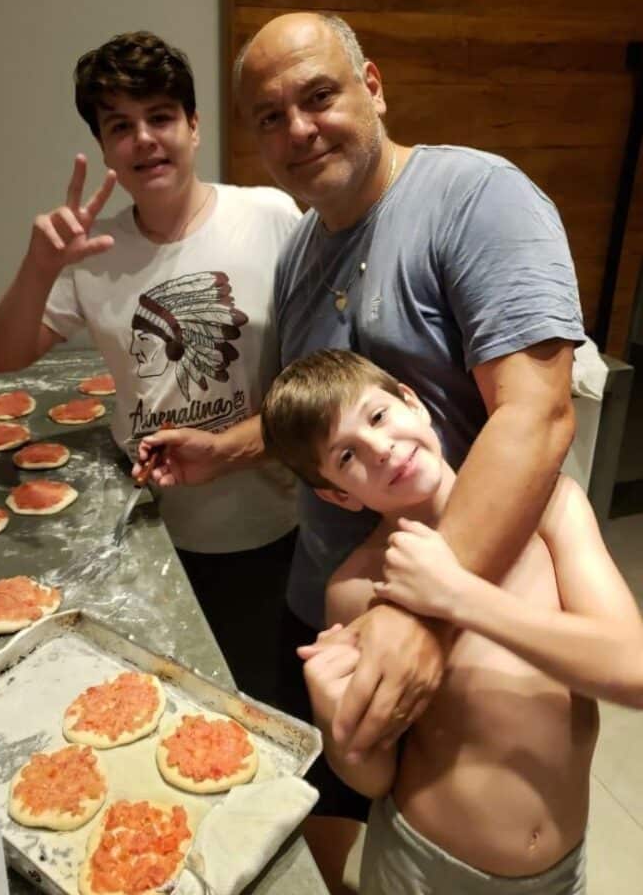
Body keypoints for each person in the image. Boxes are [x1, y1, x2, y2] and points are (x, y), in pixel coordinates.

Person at [137, 11, 586, 761]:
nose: (299, 130)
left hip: (463, 615)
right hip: (330, 602)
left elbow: (535, 415)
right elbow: (321, 419)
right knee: (325, 806)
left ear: (372, 87)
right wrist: (223, 451)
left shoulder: (475, 198)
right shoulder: (301, 251)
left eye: (319, 97)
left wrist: (425, 611)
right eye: (270, 117)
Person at [0, 30, 301, 707]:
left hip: (271, 521)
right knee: (171, 707)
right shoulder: (94, 253)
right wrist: (39, 266)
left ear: (193, 125)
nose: (144, 139)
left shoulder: (270, 217)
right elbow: (3, 356)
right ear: (103, 148)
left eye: (160, 116)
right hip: (149, 528)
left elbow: (319, 376)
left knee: (259, 699)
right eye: (120, 126)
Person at [261, 347, 643, 895]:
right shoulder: (356, 588)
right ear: (338, 494)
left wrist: (460, 595)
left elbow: (633, 670)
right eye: (347, 456)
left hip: (562, 872)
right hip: (425, 870)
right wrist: (339, 727)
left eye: (378, 416)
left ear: (413, 403)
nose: (381, 449)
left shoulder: (551, 506)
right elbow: (375, 778)